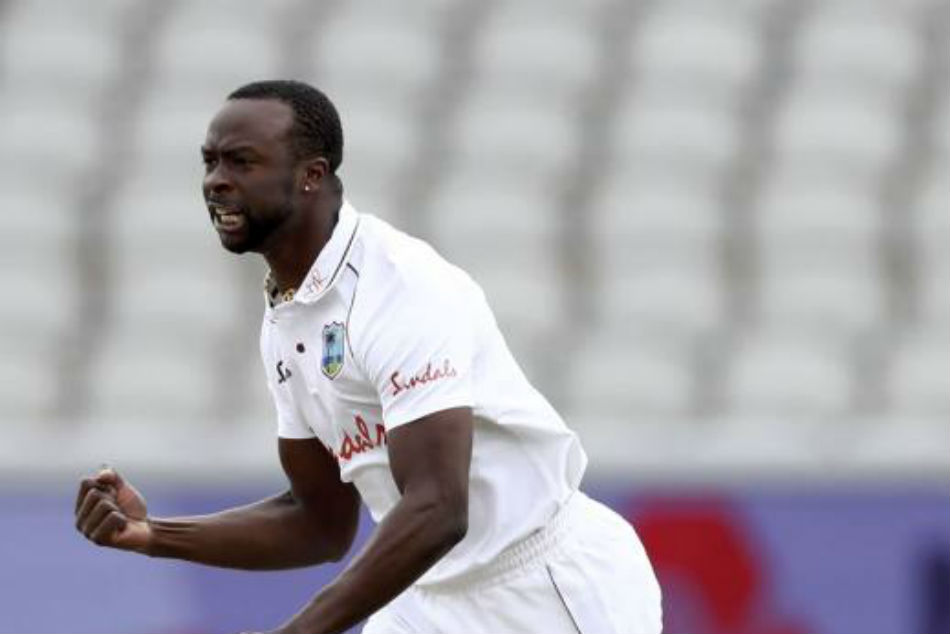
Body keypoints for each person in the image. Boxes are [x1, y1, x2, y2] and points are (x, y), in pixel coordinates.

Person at [74, 80, 662, 634]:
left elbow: (437, 508)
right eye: (210, 162)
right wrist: (152, 535)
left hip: (544, 586)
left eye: (241, 162)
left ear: (311, 175)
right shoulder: (287, 318)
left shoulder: (401, 289)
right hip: (430, 597)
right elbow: (319, 523)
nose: (216, 181)